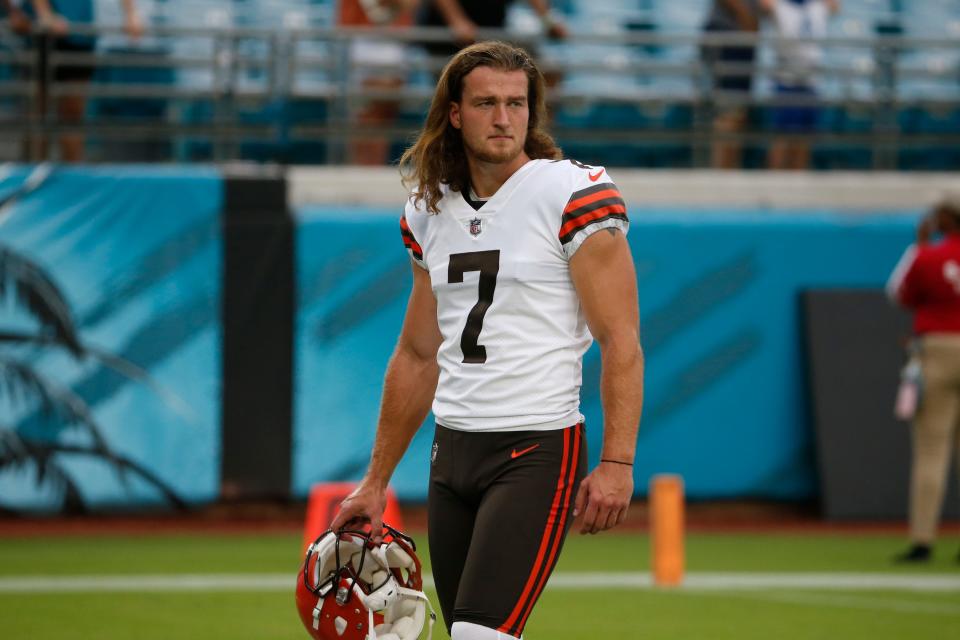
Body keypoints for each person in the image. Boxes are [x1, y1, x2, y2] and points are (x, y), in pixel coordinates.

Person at [330, 41, 644, 640]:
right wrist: (375, 482)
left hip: (535, 446)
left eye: (516, 104)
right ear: (454, 113)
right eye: (486, 103)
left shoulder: (572, 193)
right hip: (452, 451)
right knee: (467, 634)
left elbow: (620, 338)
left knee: (479, 635)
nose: (504, 118)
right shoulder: (428, 211)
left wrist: (617, 461)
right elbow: (418, 355)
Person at [886, 194, 960, 563]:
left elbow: (899, 292)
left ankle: (923, 539)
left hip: (938, 350)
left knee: (932, 449)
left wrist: (920, 245)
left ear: (944, 220)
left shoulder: (928, 256)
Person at [23, 0, 143, 162]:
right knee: (39, 112)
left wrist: (131, 14)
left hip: (79, 34)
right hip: (44, 34)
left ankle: (72, 175)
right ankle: (34, 172)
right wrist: (45, 14)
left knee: (73, 113)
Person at [761, 0, 839, 170]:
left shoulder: (817, 8)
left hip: (810, 82)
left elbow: (835, 6)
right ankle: (775, 184)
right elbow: (764, 6)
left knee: (804, 140)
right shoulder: (780, 7)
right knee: (782, 139)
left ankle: (798, 182)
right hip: (786, 80)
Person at [338, 0, 419, 165]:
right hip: (365, 41)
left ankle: (374, 166)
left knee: (385, 114)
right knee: (365, 115)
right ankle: (361, 167)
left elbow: (410, 4)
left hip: (394, 42)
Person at [700, 0, 762, 169]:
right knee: (728, 111)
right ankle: (722, 172)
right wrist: (746, 18)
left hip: (739, 37)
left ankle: (729, 169)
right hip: (729, 36)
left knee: (737, 112)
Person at [417, 0, 568, 60]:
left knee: (548, 69)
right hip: (449, 41)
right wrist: (457, 21)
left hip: (495, 35)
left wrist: (549, 21)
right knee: (457, 92)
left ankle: (537, 128)